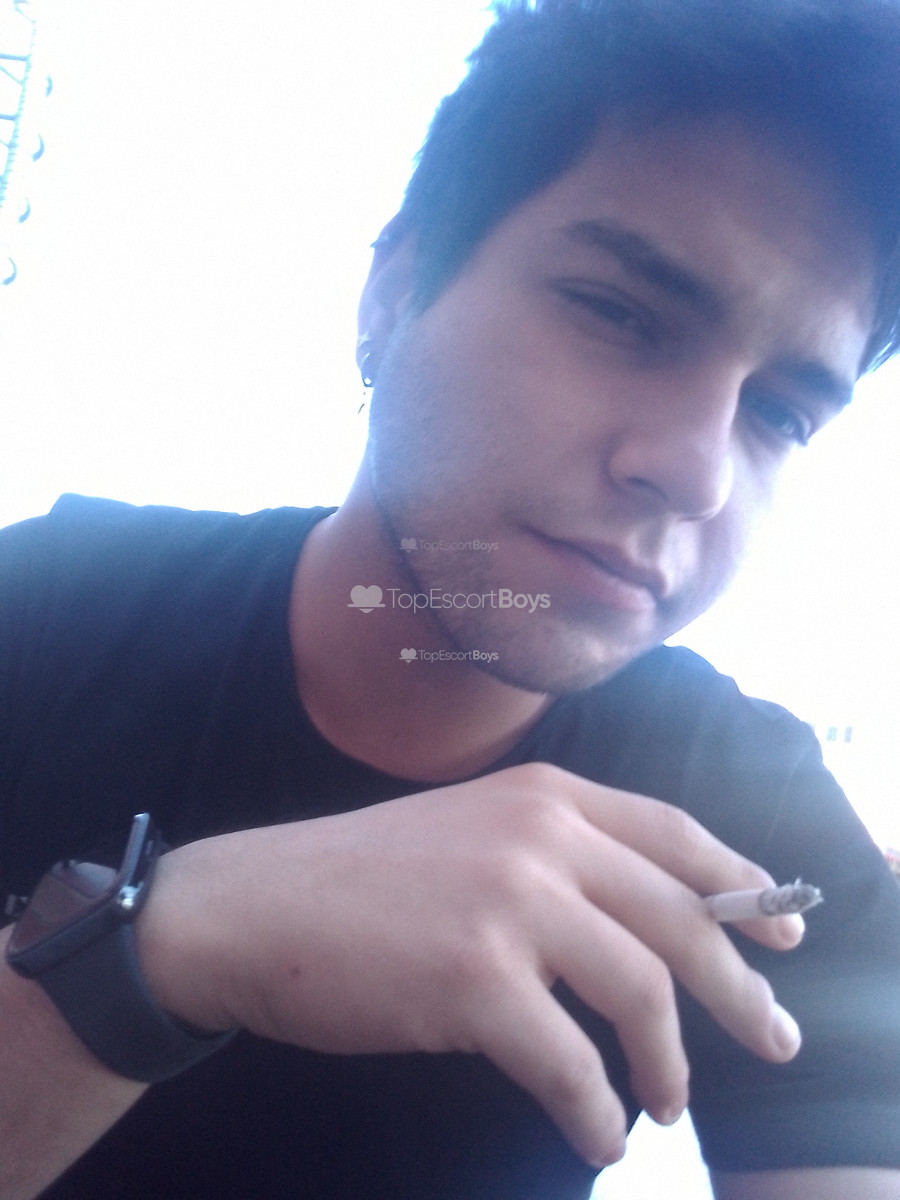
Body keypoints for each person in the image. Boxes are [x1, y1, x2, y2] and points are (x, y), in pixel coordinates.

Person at [1, 0, 899, 1196]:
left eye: (780, 413)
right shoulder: (45, 609)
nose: (696, 472)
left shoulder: (752, 817)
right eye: (619, 312)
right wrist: (149, 958)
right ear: (393, 292)